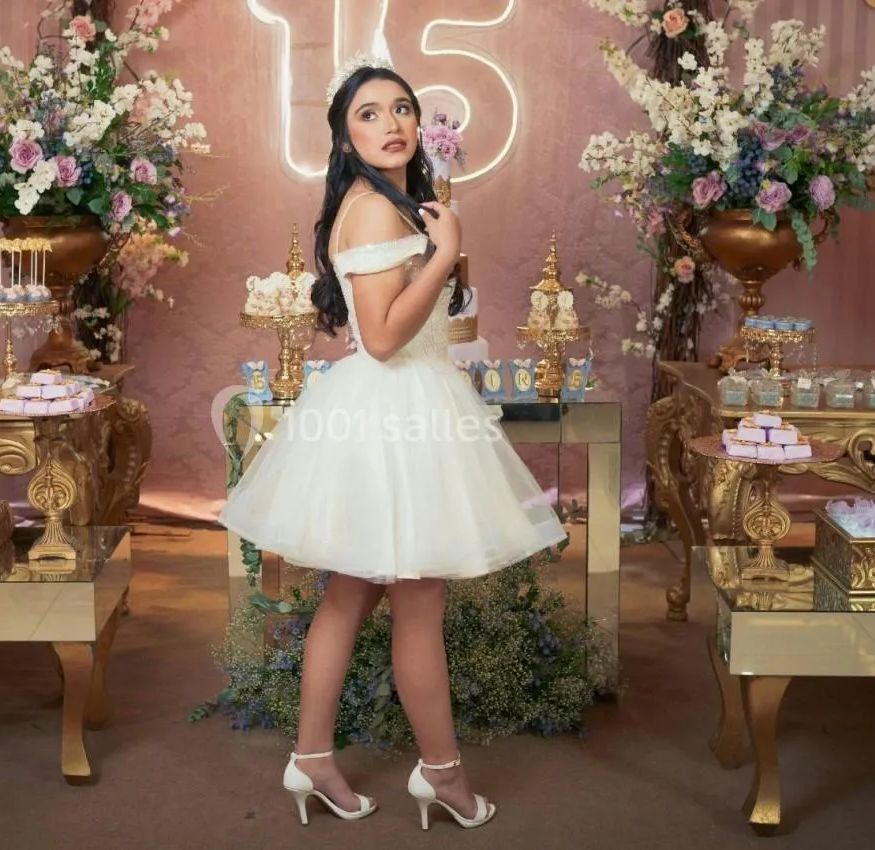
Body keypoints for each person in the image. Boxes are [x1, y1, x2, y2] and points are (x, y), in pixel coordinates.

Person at [218, 53, 567, 831]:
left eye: (402, 108)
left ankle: (313, 757)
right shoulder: (377, 211)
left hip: (397, 406)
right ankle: (443, 775)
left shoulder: (389, 204)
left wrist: (435, 255)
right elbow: (379, 339)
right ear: (345, 138)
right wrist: (444, 255)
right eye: (369, 114)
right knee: (417, 604)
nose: (392, 124)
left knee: (350, 594)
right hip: (397, 412)